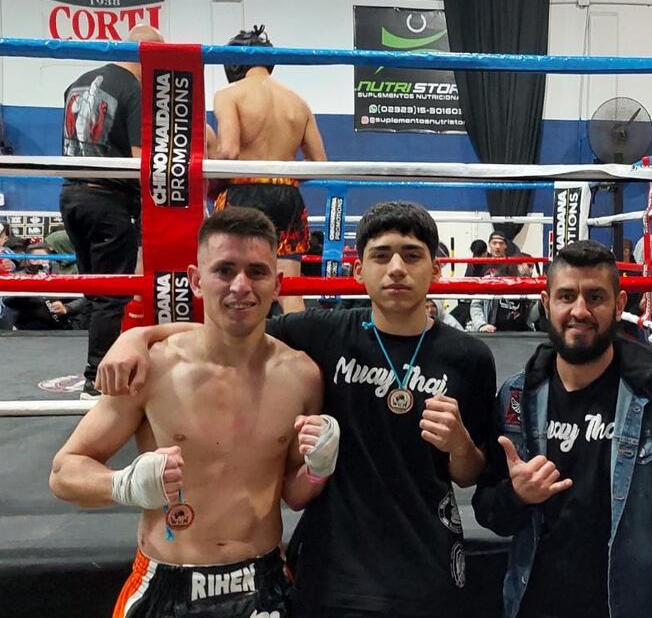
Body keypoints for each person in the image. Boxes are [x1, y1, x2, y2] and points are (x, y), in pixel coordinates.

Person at [96, 201, 496, 618]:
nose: (396, 268)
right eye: (381, 255)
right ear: (358, 271)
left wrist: (461, 444)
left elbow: (468, 474)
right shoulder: (323, 333)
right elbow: (232, 326)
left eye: (412, 255)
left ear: (436, 269)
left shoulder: (469, 357)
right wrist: (139, 336)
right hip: (334, 568)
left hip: (424, 561)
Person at [49, 207, 335, 617]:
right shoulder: (153, 368)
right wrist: (122, 484)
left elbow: (292, 493)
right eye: (224, 270)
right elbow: (63, 473)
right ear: (196, 281)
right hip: (165, 582)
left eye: (257, 271)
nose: (241, 286)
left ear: (278, 283)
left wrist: (318, 468)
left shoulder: (303, 375)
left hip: (265, 583)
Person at [473, 239, 652, 618]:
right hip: (534, 604)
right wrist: (516, 495)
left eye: (595, 297)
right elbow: (489, 513)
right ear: (546, 302)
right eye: (566, 296)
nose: (579, 311)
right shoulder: (517, 398)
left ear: (618, 306)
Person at [59, 24, 163, 399]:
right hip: (108, 200)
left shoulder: (77, 82)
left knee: (94, 290)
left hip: (72, 195)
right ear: (146, 54)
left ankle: (95, 370)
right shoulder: (133, 88)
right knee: (111, 293)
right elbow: (140, 159)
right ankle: (96, 380)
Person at [212, 24, 328, 314]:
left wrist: (210, 182)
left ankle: (231, 354)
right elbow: (321, 164)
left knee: (232, 281)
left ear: (234, 63)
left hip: (243, 193)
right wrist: (282, 179)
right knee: (290, 288)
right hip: (287, 194)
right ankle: (299, 353)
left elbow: (228, 150)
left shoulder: (229, 95)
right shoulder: (298, 102)